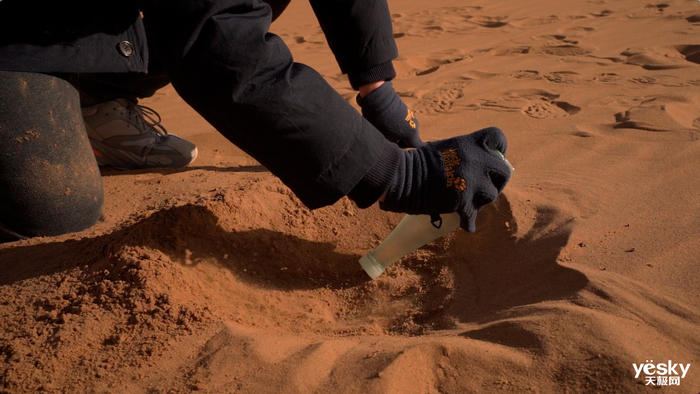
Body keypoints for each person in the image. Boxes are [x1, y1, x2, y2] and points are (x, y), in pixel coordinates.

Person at [0, 0, 511, 243]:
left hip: (114, 16)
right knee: (52, 212)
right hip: (21, 23)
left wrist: (376, 84)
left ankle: (98, 104)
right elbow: (214, 31)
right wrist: (393, 175)